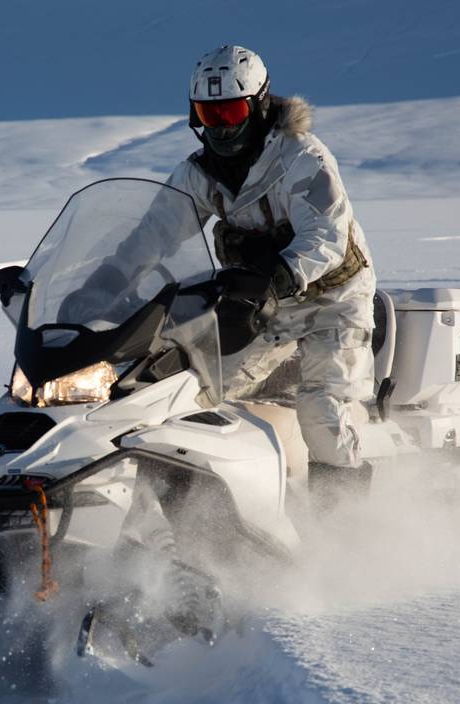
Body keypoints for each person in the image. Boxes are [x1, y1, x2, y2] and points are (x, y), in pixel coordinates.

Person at [165, 44, 377, 505]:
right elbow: (155, 230)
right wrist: (104, 274)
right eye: (209, 113)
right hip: (260, 301)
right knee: (190, 393)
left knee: (322, 409)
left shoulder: (303, 158)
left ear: (258, 106)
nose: (220, 127)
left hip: (333, 299)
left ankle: (345, 523)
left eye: (232, 112)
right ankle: (201, 503)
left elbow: (324, 236)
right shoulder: (198, 173)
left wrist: (278, 279)